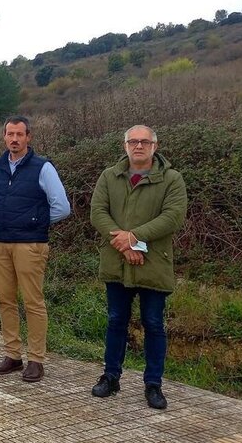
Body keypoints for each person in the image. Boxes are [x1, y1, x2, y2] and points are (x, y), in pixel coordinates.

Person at [89, 125, 187, 410]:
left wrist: (134, 237)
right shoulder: (110, 176)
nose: (139, 146)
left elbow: (172, 217)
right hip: (116, 262)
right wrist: (123, 243)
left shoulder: (171, 179)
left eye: (145, 141)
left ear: (155, 146)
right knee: (116, 320)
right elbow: (98, 213)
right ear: (125, 146)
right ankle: (110, 376)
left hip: (153, 264)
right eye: (133, 141)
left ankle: (153, 384)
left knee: (154, 324)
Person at [0, 116, 70, 383]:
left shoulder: (43, 167)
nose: (14, 139)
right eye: (10, 134)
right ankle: (13, 355)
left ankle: (36, 359)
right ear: (4, 137)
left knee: (33, 302)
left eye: (19, 134)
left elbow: (62, 207)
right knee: (5, 300)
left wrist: (33, 221)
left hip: (30, 245)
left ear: (28, 136)